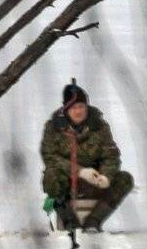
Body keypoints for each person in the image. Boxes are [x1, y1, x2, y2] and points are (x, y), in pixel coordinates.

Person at [40, 82, 134, 234]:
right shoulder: (53, 127)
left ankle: (93, 221)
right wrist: (80, 172)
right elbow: (50, 157)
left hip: (94, 181)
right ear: (66, 109)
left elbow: (111, 156)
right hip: (67, 183)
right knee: (51, 176)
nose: (78, 111)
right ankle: (69, 221)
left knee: (124, 179)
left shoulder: (99, 126)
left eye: (81, 107)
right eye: (73, 108)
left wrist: (106, 176)